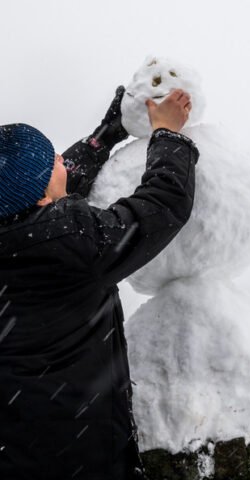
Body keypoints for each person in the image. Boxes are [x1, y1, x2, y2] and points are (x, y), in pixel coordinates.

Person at [0, 87, 198, 479]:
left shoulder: (21, 231)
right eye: (51, 158)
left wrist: (105, 135)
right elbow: (159, 207)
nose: (62, 158)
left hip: (18, 445)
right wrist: (168, 135)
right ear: (38, 190)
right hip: (79, 453)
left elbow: (54, 184)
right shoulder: (68, 243)